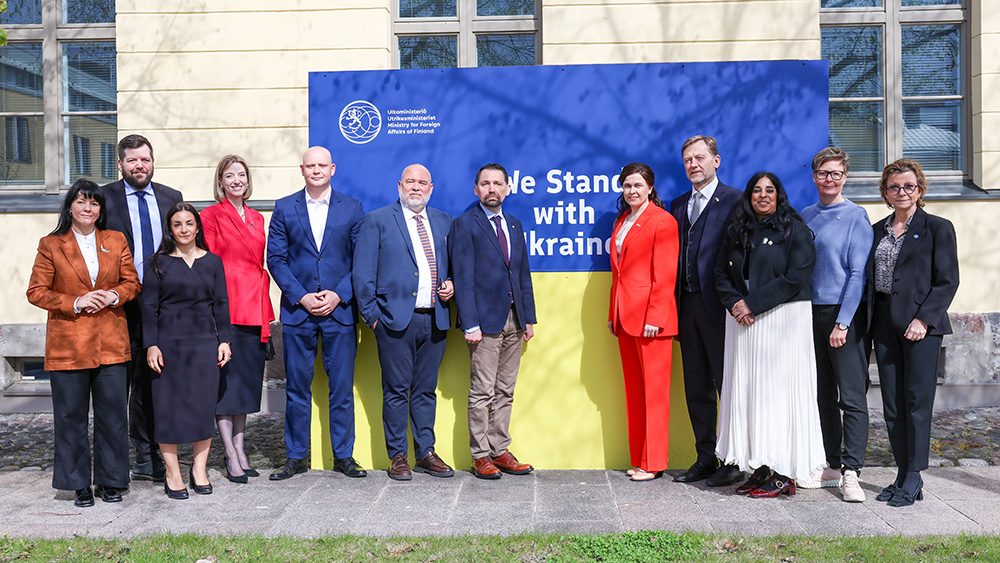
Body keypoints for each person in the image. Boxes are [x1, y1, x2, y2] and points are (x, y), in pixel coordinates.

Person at [27, 180, 141, 507]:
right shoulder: (51, 244)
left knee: (113, 418)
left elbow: (132, 282)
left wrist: (114, 294)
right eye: (81, 202)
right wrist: (76, 301)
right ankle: (78, 484)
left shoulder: (115, 240)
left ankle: (110, 481)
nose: (87, 208)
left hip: (111, 343)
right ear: (70, 207)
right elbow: (36, 291)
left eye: (94, 203)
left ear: (100, 209)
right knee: (70, 418)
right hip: (68, 345)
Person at [714, 171, 824, 497]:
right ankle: (761, 467)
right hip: (743, 323)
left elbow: (797, 276)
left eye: (770, 190)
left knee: (778, 395)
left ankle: (783, 473)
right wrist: (735, 304)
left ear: (779, 195)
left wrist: (752, 304)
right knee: (751, 395)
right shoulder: (737, 231)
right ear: (748, 196)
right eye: (757, 190)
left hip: (782, 320)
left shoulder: (795, 230)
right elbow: (721, 273)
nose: (763, 195)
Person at [267, 146, 367, 480]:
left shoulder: (352, 208)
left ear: (332, 169)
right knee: (297, 389)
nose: (316, 170)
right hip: (299, 313)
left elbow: (360, 260)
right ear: (302, 169)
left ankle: (344, 456)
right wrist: (301, 297)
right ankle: (296, 457)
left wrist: (339, 294)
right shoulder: (284, 207)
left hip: (340, 312)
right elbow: (276, 260)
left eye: (322, 165)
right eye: (310, 165)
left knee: (341, 389)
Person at [353, 164, 455, 481]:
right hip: (394, 322)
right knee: (396, 390)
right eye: (410, 181)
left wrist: (451, 283)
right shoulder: (378, 220)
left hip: (435, 319)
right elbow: (362, 274)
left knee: (426, 390)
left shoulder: (444, 221)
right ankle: (398, 455)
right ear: (400, 185)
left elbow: (452, 266)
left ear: (431, 188)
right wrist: (373, 318)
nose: (416, 187)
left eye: (422, 182)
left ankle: (425, 452)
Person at [869, 158, 959, 507]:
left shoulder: (938, 227)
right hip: (884, 326)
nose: (902, 192)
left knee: (917, 403)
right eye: (894, 187)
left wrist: (923, 320)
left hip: (921, 327)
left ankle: (915, 475)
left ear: (919, 190)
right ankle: (902, 472)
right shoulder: (877, 230)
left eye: (909, 186)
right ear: (885, 192)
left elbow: (947, 280)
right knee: (892, 404)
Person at [101, 134, 183, 482]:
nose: (140, 166)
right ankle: (120, 459)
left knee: (154, 383)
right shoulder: (104, 198)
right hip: (121, 305)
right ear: (120, 164)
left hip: (164, 304)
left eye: (145, 159)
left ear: (152, 161)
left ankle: (150, 456)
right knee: (118, 384)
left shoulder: (171, 197)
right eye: (132, 160)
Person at [449, 163, 537, 480]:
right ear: (476, 189)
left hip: (514, 320)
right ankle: (480, 456)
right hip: (484, 324)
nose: (492, 189)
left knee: (505, 391)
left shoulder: (513, 224)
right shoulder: (465, 224)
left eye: (497, 183)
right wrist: (470, 323)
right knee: (482, 392)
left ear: (507, 189)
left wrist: (528, 318)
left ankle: (500, 450)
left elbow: (522, 273)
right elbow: (463, 276)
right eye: (485, 183)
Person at [140, 202, 232, 499]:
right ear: (170, 229)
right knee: (167, 408)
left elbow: (221, 303)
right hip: (168, 345)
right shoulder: (157, 263)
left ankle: (199, 469)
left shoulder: (213, 262)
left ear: (197, 227)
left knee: (202, 407)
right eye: (177, 224)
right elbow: (149, 308)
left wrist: (225, 340)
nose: (184, 230)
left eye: (189, 223)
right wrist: (151, 344)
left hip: (204, 344)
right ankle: (172, 472)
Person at [800, 148, 873, 502]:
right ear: (814, 176)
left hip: (843, 315)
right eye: (823, 173)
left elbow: (858, 274)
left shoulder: (856, 216)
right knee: (823, 394)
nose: (829, 179)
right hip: (808, 314)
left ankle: (852, 471)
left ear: (845, 177)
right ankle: (832, 463)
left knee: (852, 396)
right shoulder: (806, 216)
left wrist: (842, 323)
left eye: (836, 173)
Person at [669, 135, 744, 487]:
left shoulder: (736, 200)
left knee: (726, 385)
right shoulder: (678, 204)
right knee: (696, 385)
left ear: (717, 161)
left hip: (722, 308)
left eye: (700, 158)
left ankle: (733, 459)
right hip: (686, 305)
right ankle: (705, 457)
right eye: (688, 160)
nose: (693, 164)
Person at [201, 155, 276, 483]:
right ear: (220, 181)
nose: (236, 180)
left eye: (241, 175)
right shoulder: (210, 215)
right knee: (227, 384)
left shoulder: (258, 217)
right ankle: (229, 454)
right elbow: (208, 263)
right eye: (229, 175)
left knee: (246, 383)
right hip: (227, 304)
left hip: (255, 306)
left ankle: (241, 449)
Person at [607, 163, 679, 482]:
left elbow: (665, 274)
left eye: (638, 185)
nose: (632, 191)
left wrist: (656, 316)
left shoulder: (662, 220)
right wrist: (614, 313)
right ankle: (639, 458)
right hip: (625, 317)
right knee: (635, 393)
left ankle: (653, 462)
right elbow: (620, 274)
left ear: (650, 187)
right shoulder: (622, 220)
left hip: (652, 321)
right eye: (627, 185)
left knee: (655, 394)